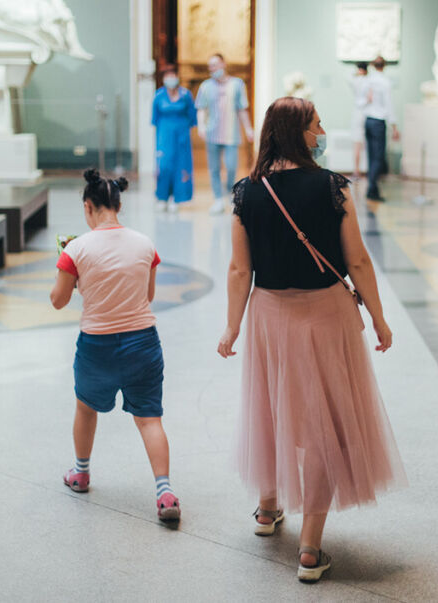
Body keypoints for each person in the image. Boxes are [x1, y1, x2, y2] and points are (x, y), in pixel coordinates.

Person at [219, 97, 407, 583]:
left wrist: (232, 326)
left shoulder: (246, 192)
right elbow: (357, 260)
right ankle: (309, 548)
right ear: (298, 133)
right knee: (327, 422)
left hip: (268, 314)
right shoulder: (332, 187)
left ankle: (267, 509)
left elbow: (240, 269)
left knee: (271, 410)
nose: (322, 132)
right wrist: (380, 318)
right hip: (326, 314)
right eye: (317, 125)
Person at [50, 169, 180, 522]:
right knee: (150, 420)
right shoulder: (145, 245)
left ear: (88, 206)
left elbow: (58, 301)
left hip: (97, 346)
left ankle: (81, 473)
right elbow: (147, 296)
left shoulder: (76, 249)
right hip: (143, 343)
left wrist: (73, 278)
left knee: (85, 408)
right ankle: (165, 493)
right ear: (119, 205)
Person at [195, 53, 254, 214]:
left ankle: (229, 192)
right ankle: (218, 199)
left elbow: (242, 109)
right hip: (212, 134)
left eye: (215, 64)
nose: (213, 68)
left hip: (231, 135)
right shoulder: (206, 86)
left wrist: (248, 129)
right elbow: (201, 108)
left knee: (231, 166)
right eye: (210, 66)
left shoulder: (237, 84)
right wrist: (201, 126)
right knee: (214, 168)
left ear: (224, 64)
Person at [152, 64, 197, 212]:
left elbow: (192, 117)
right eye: (168, 76)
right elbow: (154, 118)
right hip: (164, 136)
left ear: (177, 77)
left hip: (182, 137)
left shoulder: (185, 95)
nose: (171, 79)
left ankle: (177, 198)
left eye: (173, 76)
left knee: (181, 166)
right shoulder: (159, 95)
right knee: (164, 166)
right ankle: (162, 196)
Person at [362, 57, 400, 202]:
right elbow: (388, 105)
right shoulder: (384, 82)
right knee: (378, 157)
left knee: (371, 157)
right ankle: (372, 189)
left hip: (368, 120)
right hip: (378, 122)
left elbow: (361, 100)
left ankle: (373, 189)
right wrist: (394, 126)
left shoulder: (368, 80)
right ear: (384, 66)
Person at [347, 61, 369, 180]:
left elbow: (348, 76)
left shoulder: (356, 81)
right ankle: (369, 170)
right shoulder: (369, 81)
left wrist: (356, 74)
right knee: (368, 144)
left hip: (358, 114)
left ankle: (356, 170)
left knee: (357, 144)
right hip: (368, 113)